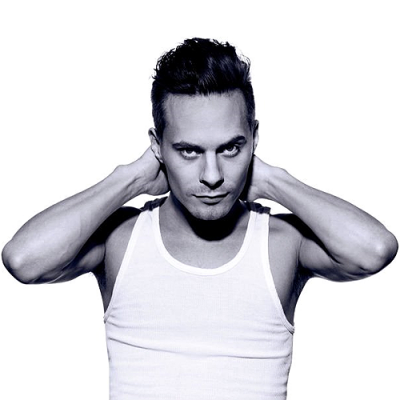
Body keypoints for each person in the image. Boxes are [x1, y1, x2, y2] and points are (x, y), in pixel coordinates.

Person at [2, 38, 398, 400]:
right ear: (158, 146)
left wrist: (273, 182)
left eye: (230, 148)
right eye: (189, 151)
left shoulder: (280, 242)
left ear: (254, 139)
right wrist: (131, 179)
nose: (212, 176)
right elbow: (24, 260)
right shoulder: (121, 238)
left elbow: (374, 250)